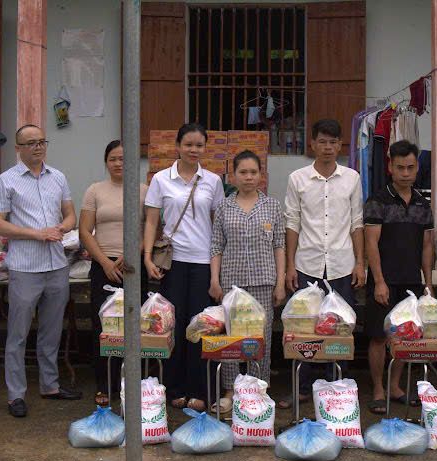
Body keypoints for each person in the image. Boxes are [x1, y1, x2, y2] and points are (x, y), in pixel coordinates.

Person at [0, 124, 80, 418]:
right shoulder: (6, 181)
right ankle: (16, 394)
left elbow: (70, 214)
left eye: (42, 141)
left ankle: (50, 385)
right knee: (17, 334)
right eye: (31, 143)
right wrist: (37, 233)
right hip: (25, 267)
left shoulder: (58, 177)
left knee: (51, 331)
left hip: (56, 264)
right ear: (18, 148)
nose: (38, 147)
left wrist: (62, 227)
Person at [281, 118, 365, 409]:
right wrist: (290, 266)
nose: (328, 147)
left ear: (340, 145)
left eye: (333, 142)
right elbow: (292, 223)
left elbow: (356, 222)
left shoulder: (352, 178)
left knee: (340, 325)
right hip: (307, 263)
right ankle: (302, 386)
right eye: (322, 142)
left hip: (342, 264)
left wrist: (360, 263)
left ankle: (336, 386)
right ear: (312, 144)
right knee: (304, 327)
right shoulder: (297, 179)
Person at [143, 123, 224, 412]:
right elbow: (152, 221)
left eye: (199, 145)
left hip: (203, 262)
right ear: (177, 146)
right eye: (188, 144)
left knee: (200, 326)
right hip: (173, 263)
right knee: (173, 327)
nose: (193, 150)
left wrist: (217, 269)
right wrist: (148, 257)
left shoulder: (213, 181)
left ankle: (199, 389)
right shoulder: (161, 179)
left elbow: (218, 225)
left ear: (205, 148)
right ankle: (174, 388)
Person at [209, 150, 286, 412]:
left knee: (260, 337)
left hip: (263, 282)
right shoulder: (224, 207)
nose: (248, 177)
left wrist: (280, 282)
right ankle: (231, 390)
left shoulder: (272, 206)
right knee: (231, 338)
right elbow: (216, 246)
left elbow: (279, 246)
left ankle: (257, 388)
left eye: (253, 172)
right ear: (233, 175)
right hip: (232, 284)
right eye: (243, 172)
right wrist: (215, 280)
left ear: (261, 175)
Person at [363, 140, 434, 414]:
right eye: (400, 167)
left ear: (417, 169)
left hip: (411, 282)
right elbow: (371, 243)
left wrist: (428, 284)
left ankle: (395, 386)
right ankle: (378, 389)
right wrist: (379, 281)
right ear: (390, 167)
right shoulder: (377, 201)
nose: (405, 173)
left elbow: (427, 246)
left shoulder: (422, 203)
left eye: (410, 167)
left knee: (405, 336)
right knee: (379, 337)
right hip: (384, 281)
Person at [79, 140, 148, 406]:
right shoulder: (94, 190)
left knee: (134, 324)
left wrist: (131, 254)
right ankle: (104, 384)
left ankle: (133, 384)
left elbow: (151, 230)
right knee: (104, 326)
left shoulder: (144, 191)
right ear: (106, 162)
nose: (119, 163)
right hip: (103, 265)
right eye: (113, 159)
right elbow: (85, 231)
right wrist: (105, 263)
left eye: (124, 158)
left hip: (133, 265)